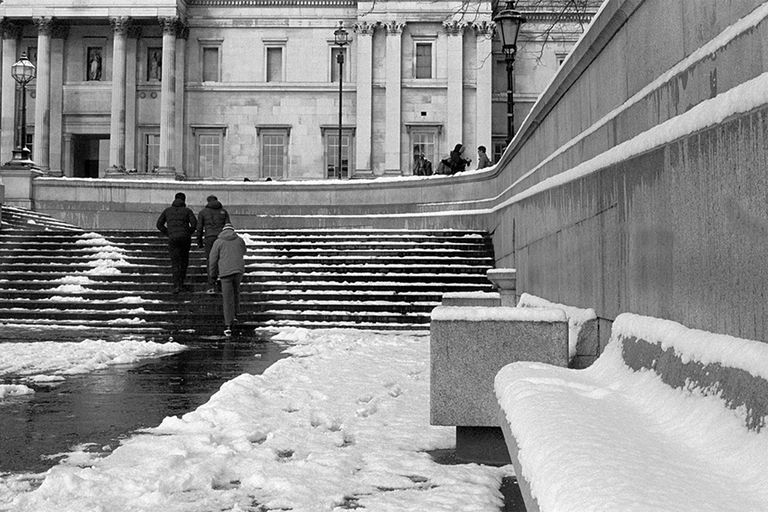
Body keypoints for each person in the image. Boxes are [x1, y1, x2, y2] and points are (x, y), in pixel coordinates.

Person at [209, 223, 247, 336]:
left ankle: (228, 324)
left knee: (227, 298)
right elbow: (244, 251)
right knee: (236, 293)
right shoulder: (239, 240)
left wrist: (213, 275)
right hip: (238, 270)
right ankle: (235, 315)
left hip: (225, 272)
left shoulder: (218, 242)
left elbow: (213, 259)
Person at [156, 192, 197, 294]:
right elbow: (194, 224)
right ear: (184, 200)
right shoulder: (187, 211)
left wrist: (169, 233)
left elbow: (159, 224)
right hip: (185, 239)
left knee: (175, 263)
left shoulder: (167, 211)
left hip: (173, 239)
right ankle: (181, 284)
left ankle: (176, 286)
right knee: (183, 261)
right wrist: (188, 232)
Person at [195, 195, 231, 294]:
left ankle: (211, 283)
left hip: (209, 238)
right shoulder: (224, 212)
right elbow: (228, 226)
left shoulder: (203, 212)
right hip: (222, 238)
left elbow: (199, 228)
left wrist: (199, 242)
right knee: (222, 259)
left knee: (210, 260)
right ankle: (222, 281)